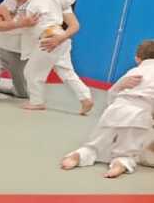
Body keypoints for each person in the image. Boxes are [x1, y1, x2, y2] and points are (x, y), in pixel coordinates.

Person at [60, 39, 154, 178]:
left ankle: (79, 155)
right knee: (126, 149)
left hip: (116, 109)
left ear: (137, 58)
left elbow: (111, 94)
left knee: (96, 142)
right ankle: (120, 163)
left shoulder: (134, 71)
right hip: (140, 114)